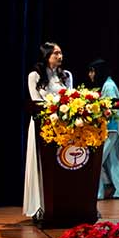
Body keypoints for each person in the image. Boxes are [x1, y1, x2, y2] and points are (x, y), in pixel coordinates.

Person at [23, 41, 72, 217]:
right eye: (55, 53)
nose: (60, 56)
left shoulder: (66, 75)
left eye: (60, 53)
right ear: (46, 56)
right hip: (41, 125)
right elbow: (36, 102)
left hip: (63, 126)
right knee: (42, 164)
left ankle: (63, 204)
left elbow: (71, 99)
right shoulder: (34, 76)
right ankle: (40, 206)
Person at [87, 59, 119, 200]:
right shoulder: (107, 84)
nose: (90, 75)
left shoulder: (109, 86)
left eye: (92, 71)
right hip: (112, 127)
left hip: (112, 128)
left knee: (98, 160)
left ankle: (98, 192)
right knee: (111, 159)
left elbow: (113, 108)